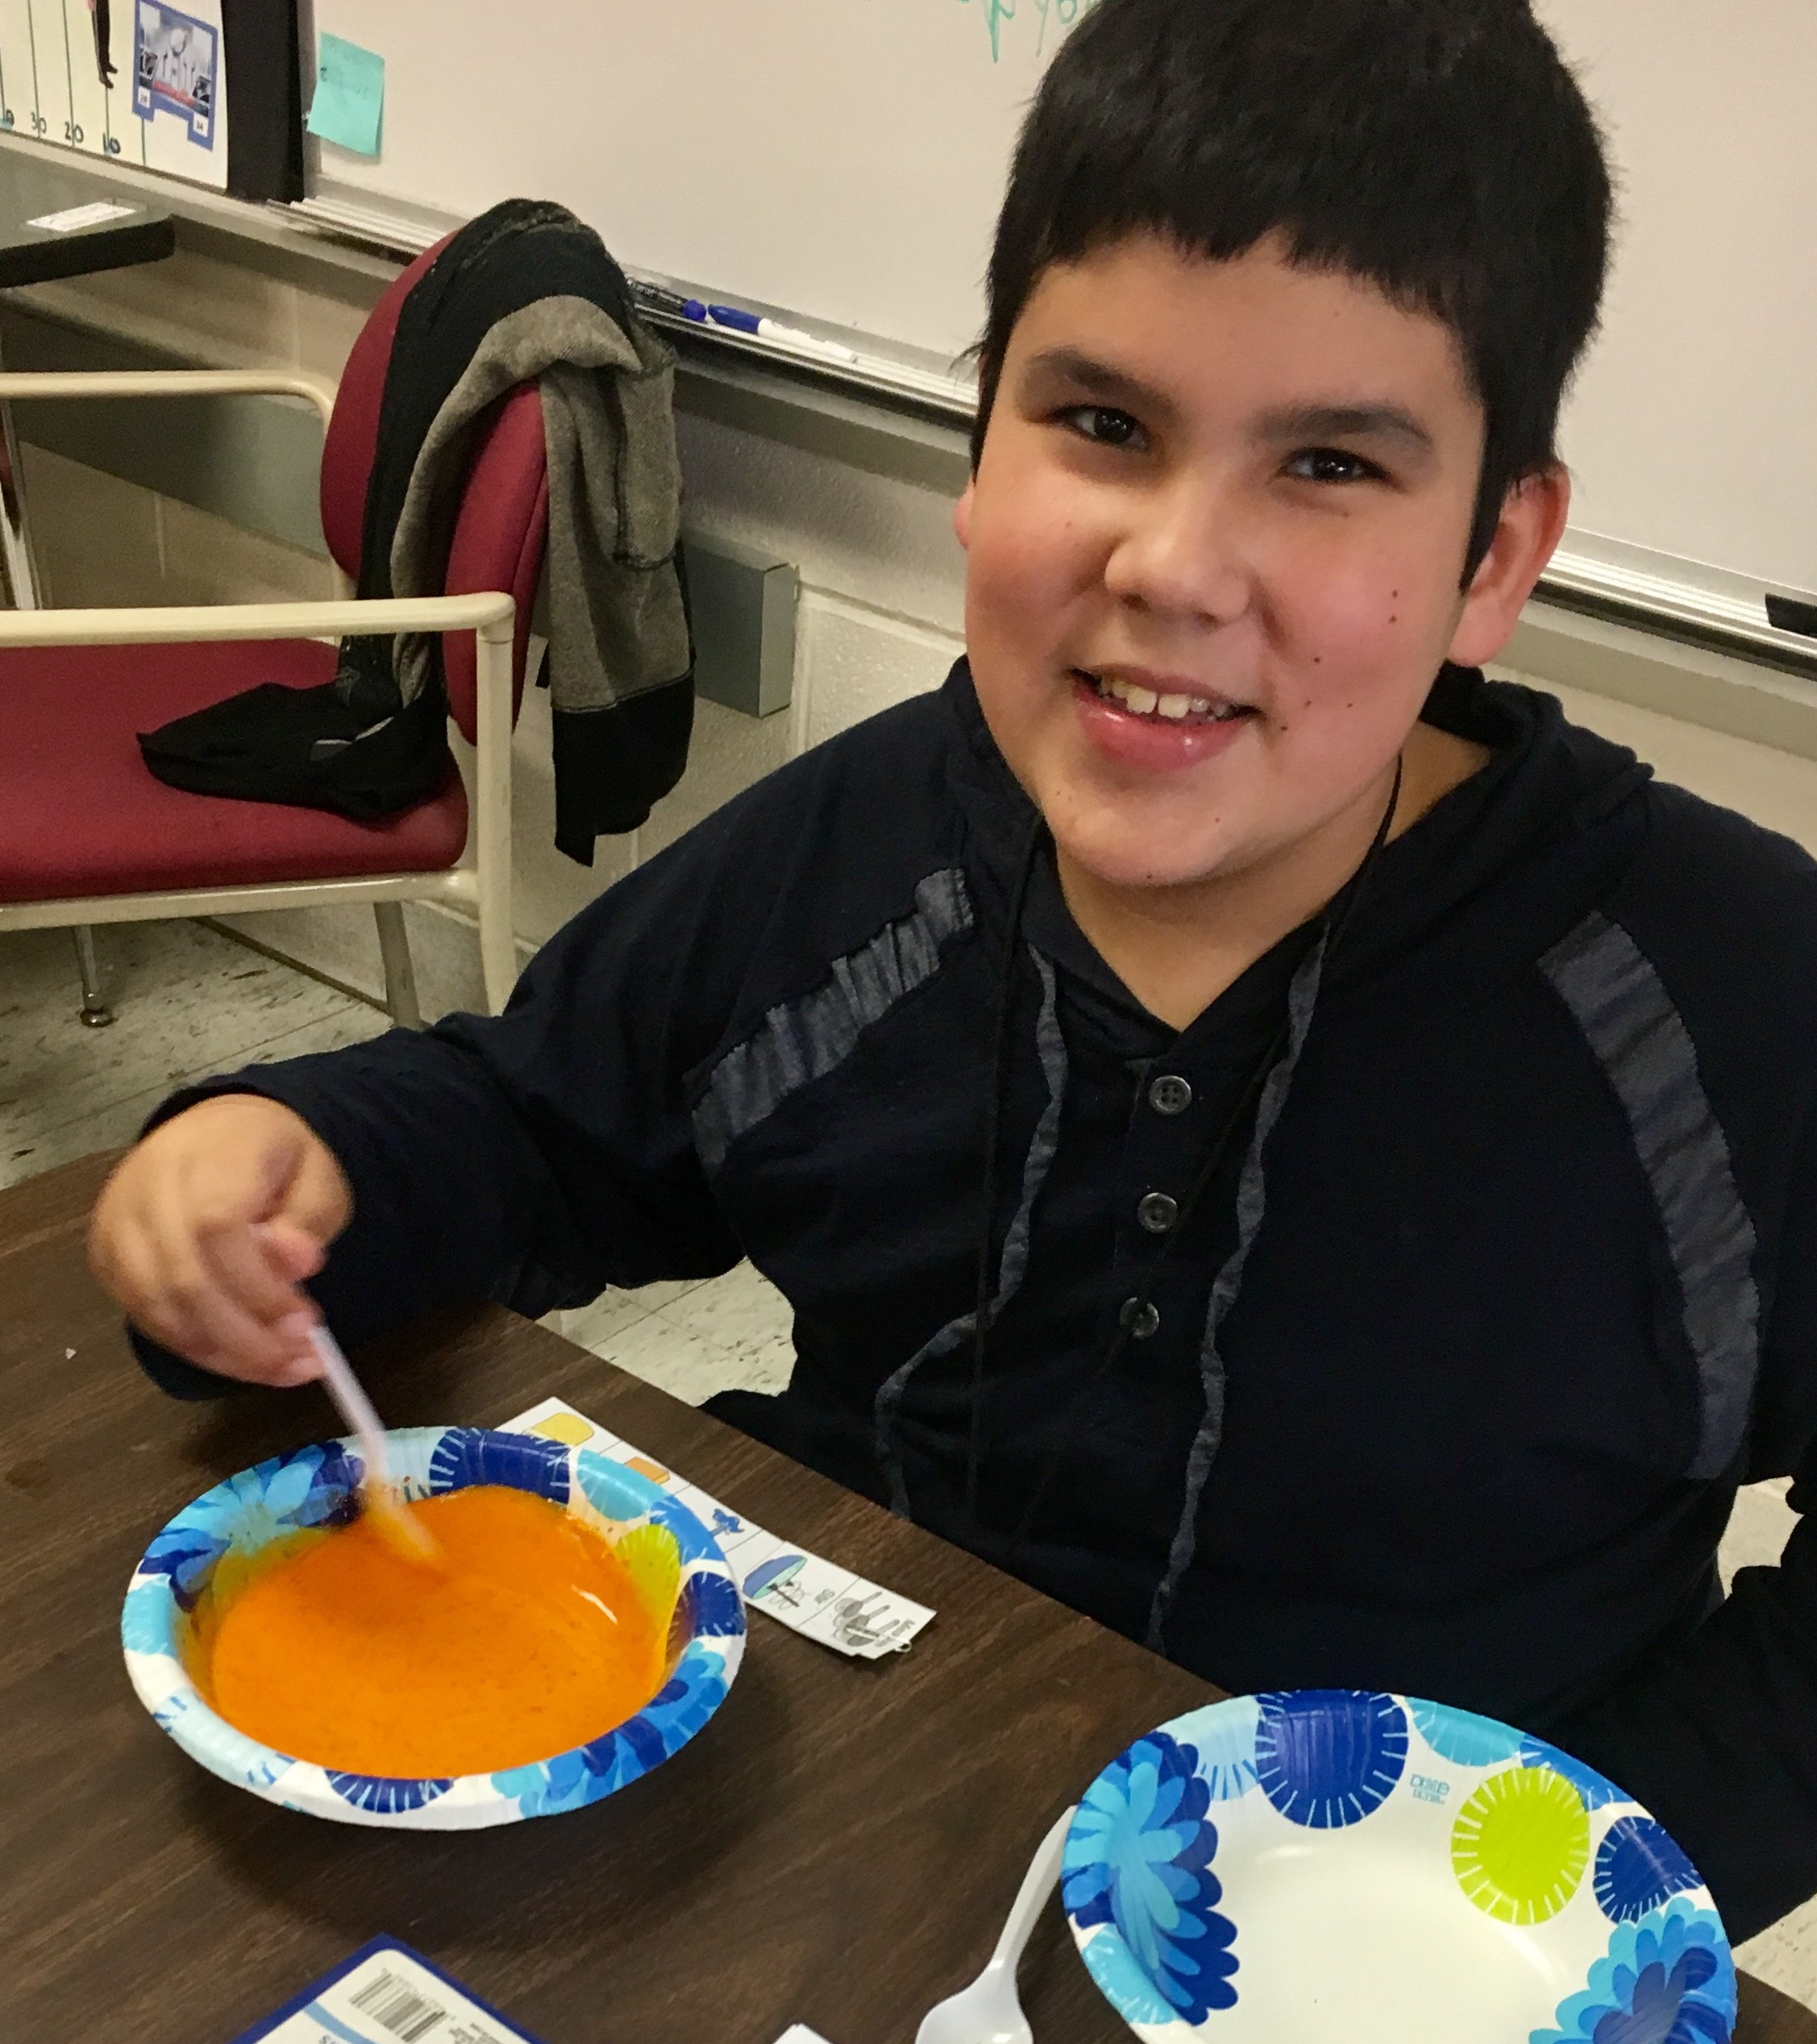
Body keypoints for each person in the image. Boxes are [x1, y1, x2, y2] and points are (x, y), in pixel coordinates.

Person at [89, 0, 1817, 1940]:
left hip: (1417, 1976)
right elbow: (534, 1125)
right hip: (840, 1815)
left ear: (1498, 557)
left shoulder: (1730, 994)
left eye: (1328, 464)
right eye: (1099, 425)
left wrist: (1618, 1862)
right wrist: (282, 1157)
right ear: (976, 449)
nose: (1173, 561)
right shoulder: (883, 836)